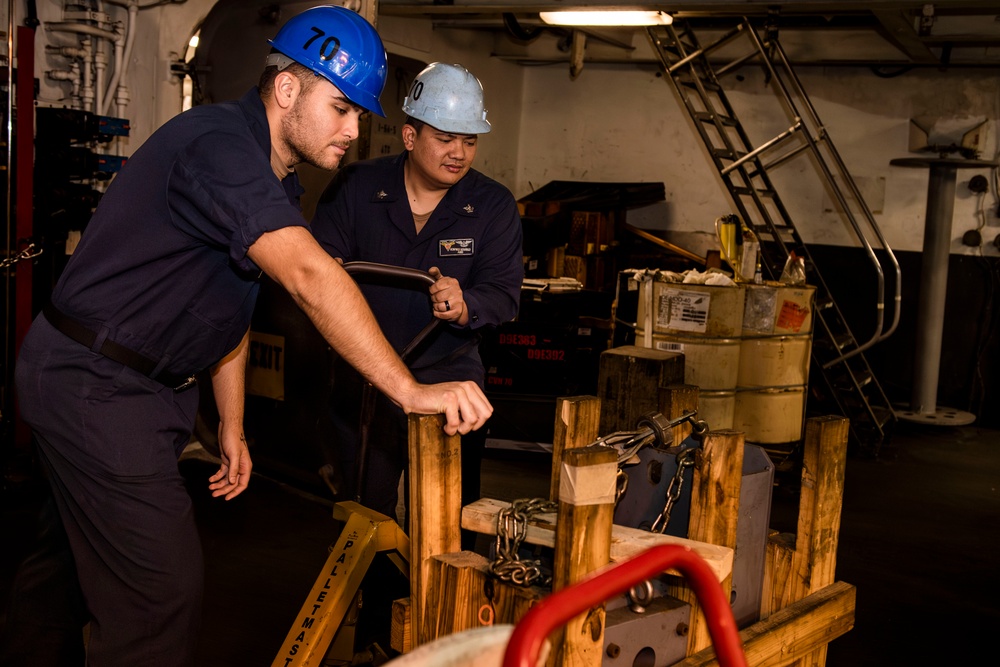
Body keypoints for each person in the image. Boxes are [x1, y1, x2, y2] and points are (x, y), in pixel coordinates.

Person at [0, 7, 491, 667]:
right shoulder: (219, 146)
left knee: (63, 566)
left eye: (360, 115)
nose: (354, 129)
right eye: (342, 108)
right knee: (157, 596)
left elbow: (226, 304)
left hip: (131, 384)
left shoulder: (273, 177)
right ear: (287, 89)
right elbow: (311, 275)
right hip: (98, 384)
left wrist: (229, 423)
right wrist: (409, 389)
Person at [311, 62, 523, 521]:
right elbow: (315, 271)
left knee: (448, 512)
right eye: (445, 138)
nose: (459, 153)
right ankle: (373, 592)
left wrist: (467, 304)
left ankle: (443, 591)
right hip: (363, 374)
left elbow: (504, 294)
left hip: (449, 377)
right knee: (364, 511)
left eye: (469, 141)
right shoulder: (355, 187)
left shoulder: (493, 206)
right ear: (410, 137)